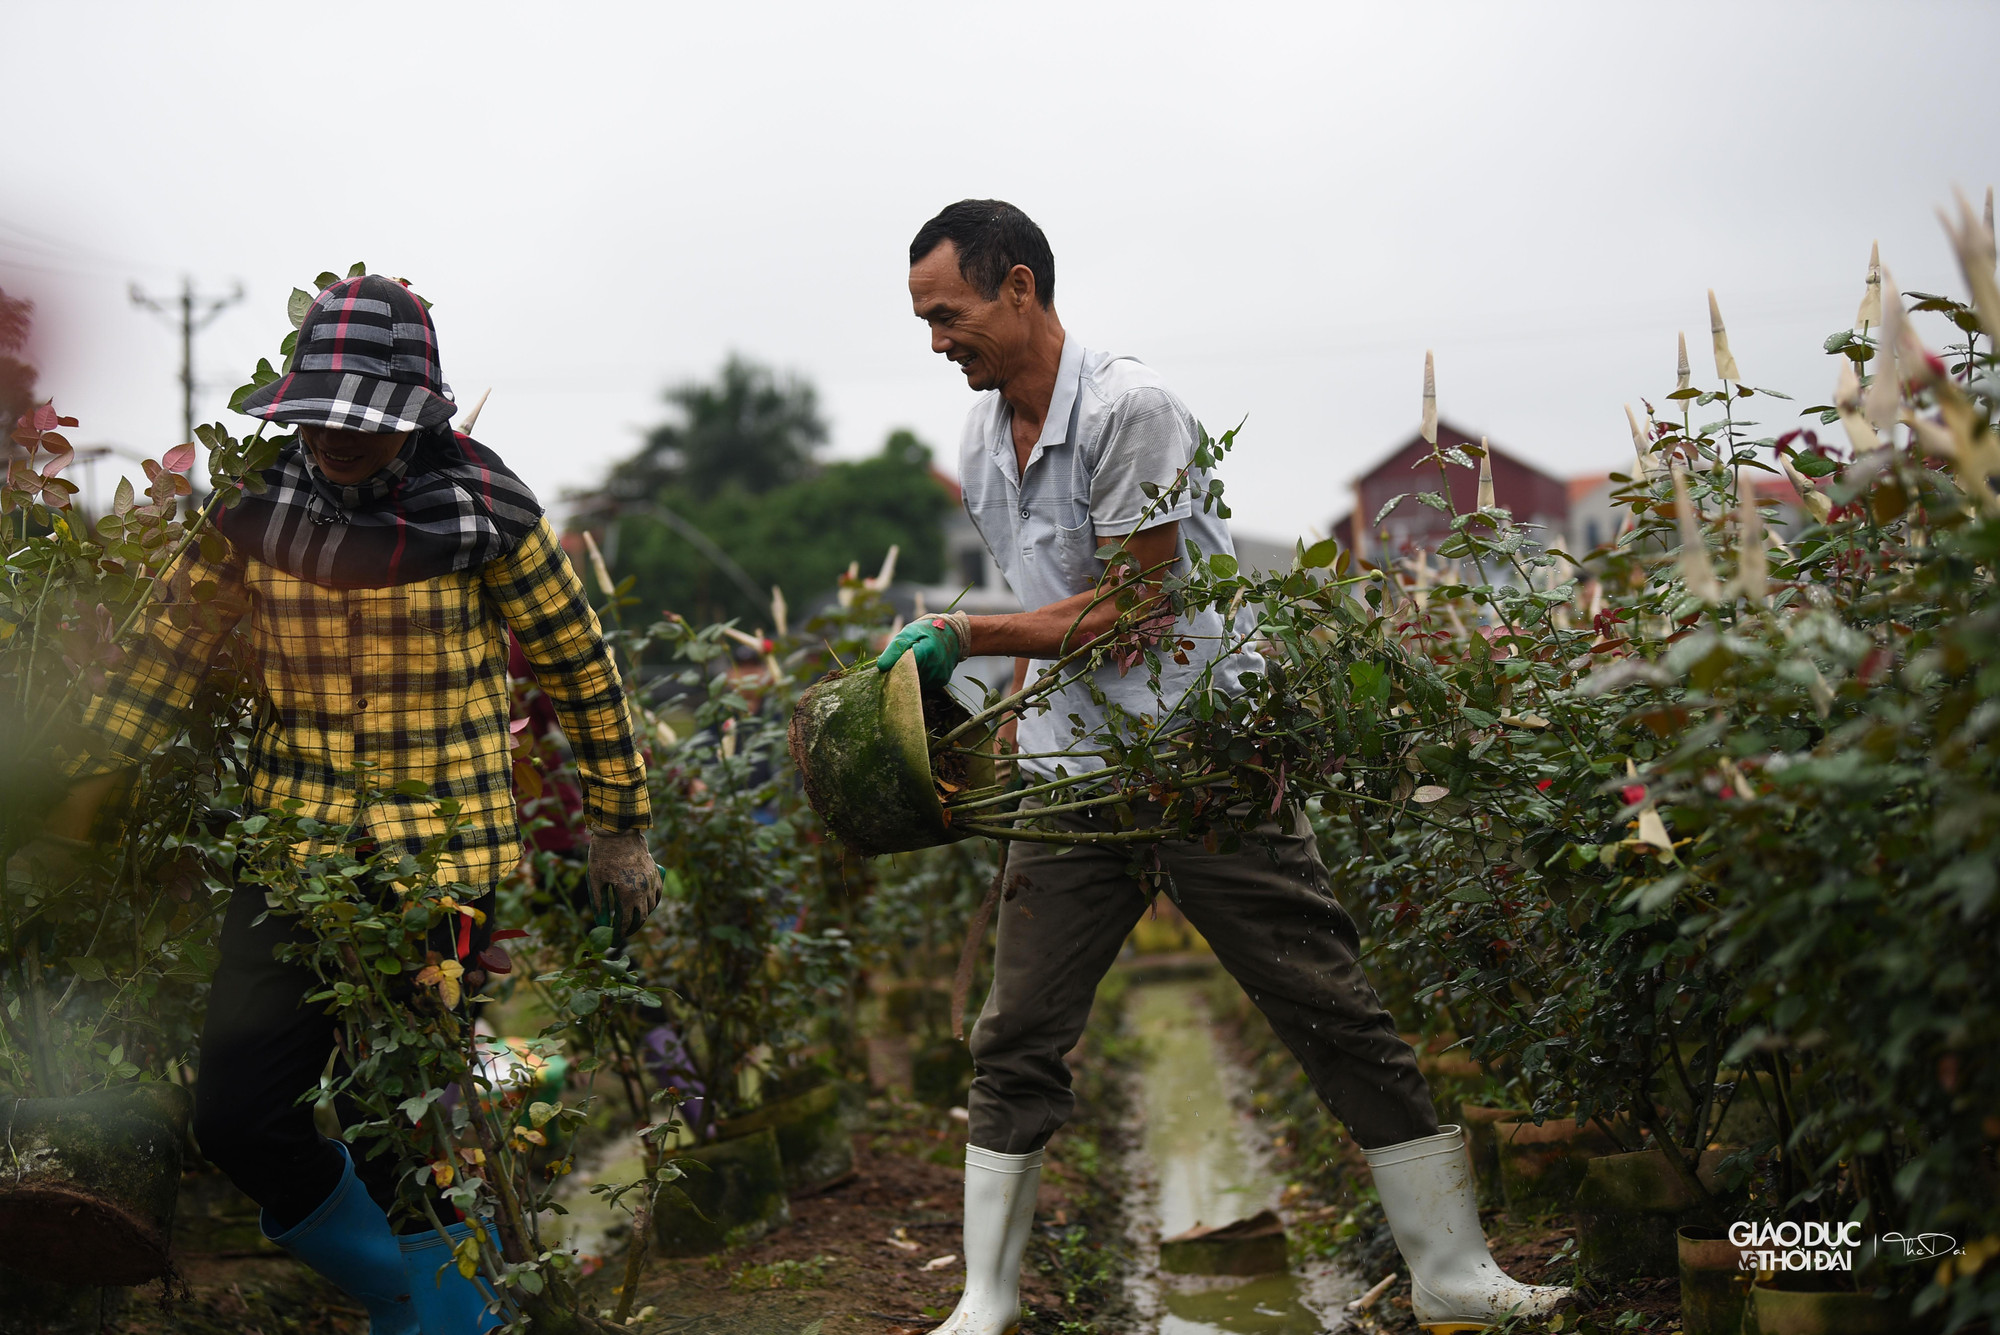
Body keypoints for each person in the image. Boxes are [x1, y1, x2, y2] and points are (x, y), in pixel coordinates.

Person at [885, 201, 1569, 1335]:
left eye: (946, 315)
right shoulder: (976, 439)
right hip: (1072, 782)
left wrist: (967, 639)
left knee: (1323, 1001)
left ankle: (1452, 1270)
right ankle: (986, 1301)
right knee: (1013, 1037)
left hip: (1197, 761)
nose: (934, 341)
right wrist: (1012, 713)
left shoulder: (1129, 409)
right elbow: (1041, 593)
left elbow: (1141, 610)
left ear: (1017, 289)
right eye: (921, 320)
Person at [30, 275, 662, 1335]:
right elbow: (154, 666)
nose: (332, 438)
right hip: (295, 857)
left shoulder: (484, 514)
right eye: (318, 417)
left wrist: (620, 826)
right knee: (235, 1115)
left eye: (358, 423)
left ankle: (445, 1318)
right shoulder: (253, 515)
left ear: (415, 417)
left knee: (395, 1115)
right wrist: (61, 817)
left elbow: (578, 666)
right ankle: (405, 1292)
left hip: (442, 861)